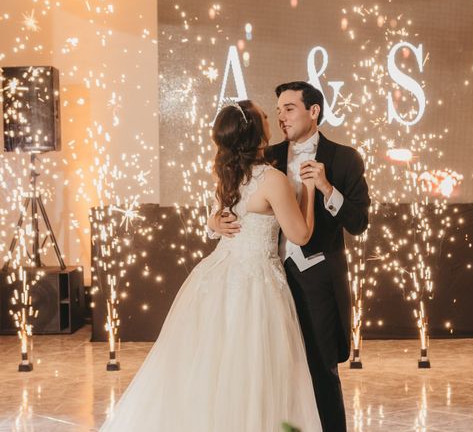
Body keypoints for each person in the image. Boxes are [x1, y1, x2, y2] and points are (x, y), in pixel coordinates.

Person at [100, 100, 322, 432]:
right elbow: (301, 235)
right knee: (255, 371)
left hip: (218, 277)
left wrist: (214, 222)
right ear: (255, 133)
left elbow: (220, 217)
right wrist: (309, 190)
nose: (271, 118)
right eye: (265, 116)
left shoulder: (227, 173)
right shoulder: (273, 179)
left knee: (211, 369)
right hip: (256, 284)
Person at [210, 81, 371, 432]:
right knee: (267, 370)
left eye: (289, 108)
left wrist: (327, 189)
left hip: (316, 282)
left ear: (313, 111)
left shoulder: (345, 158)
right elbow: (235, 198)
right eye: (277, 109)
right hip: (268, 281)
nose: (281, 117)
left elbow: (359, 222)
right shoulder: (267, 157)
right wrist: (215, 220)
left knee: (320, 369)